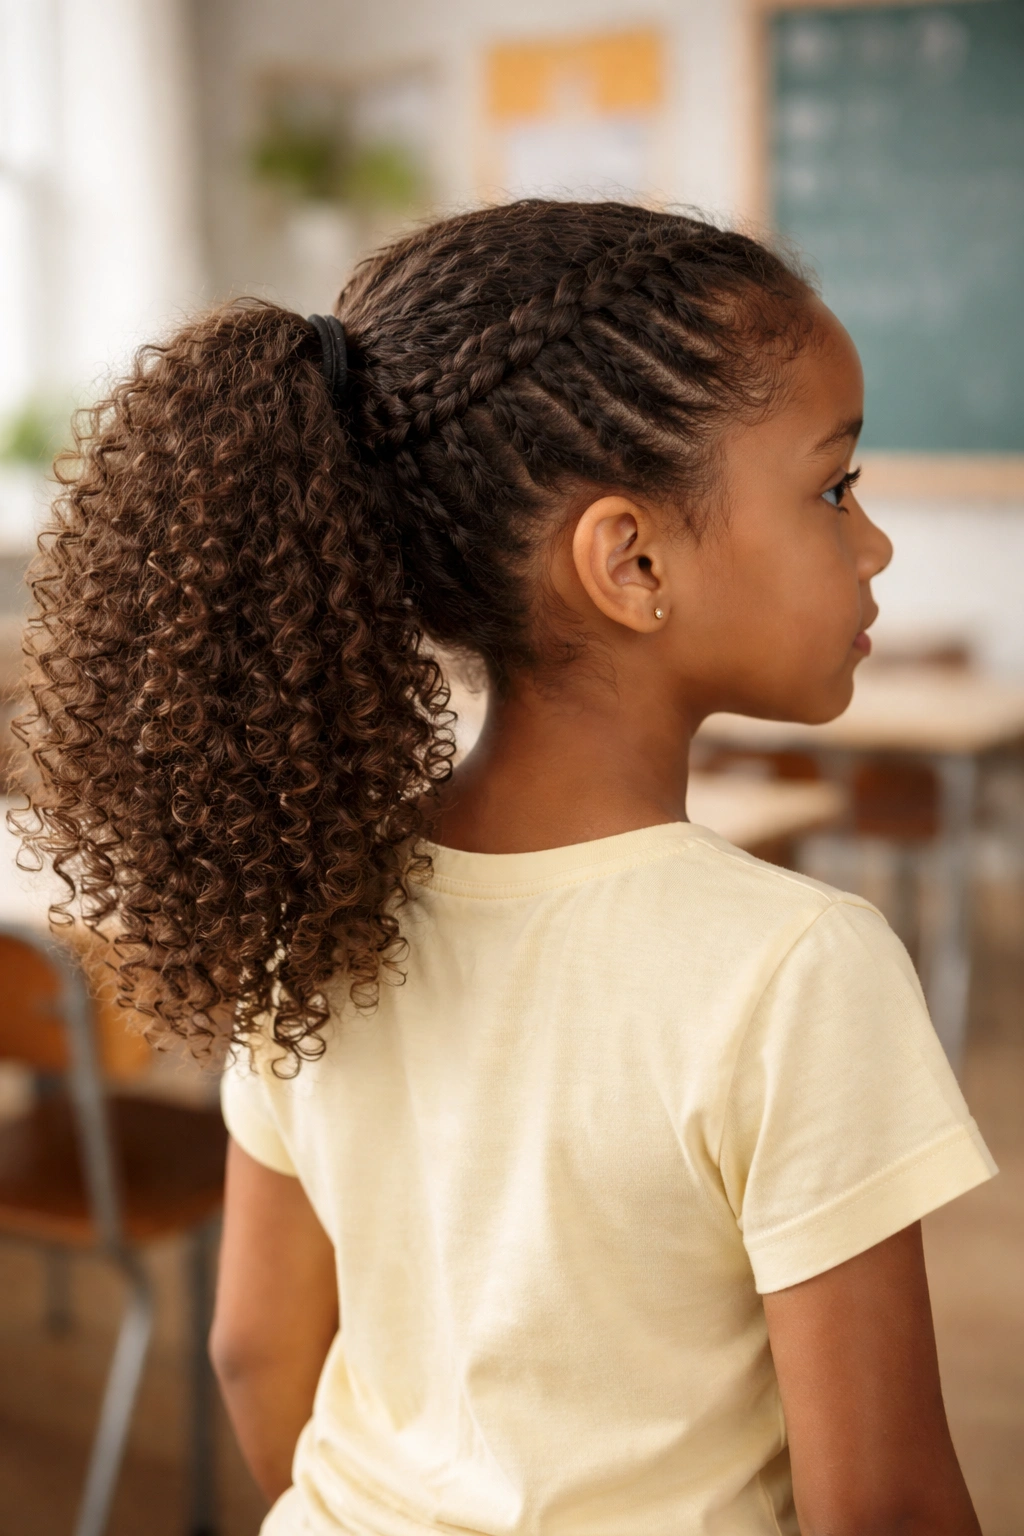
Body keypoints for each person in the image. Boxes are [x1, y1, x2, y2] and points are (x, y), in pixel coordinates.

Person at [18, 202, 994, 1535]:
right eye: (834, 487)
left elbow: (256, 1351)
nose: (870, 541)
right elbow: (882, 1509)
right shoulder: (794, 969)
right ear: (631, 559)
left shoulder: (319, 898)